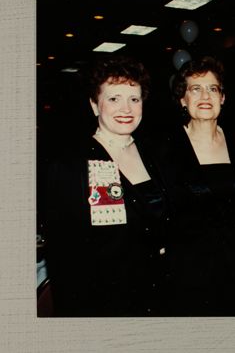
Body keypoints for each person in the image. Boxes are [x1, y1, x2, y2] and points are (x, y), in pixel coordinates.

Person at [44, 56, 172, 316]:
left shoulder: (153, 154)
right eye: (114, 98)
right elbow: (63, 255)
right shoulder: (72, 163)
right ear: (94, 105)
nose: (126, 108)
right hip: (102, 301)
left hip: (155, 294)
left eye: (134, 99)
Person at [162, 56, 235, 316]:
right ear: (182, 99)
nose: (205, 96)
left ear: (222, 98)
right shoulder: (165, 149)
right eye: (195, 89)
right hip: (187, 270)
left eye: (213, 88)